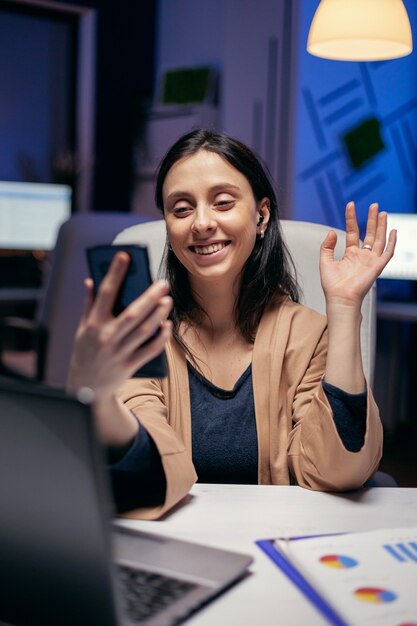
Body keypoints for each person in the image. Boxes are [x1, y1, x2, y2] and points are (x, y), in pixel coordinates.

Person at [67, 129, 396, 520]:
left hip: (280, 543)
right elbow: (145, 463)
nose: (202, 223)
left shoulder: (308, 334)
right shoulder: (144, 335)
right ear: (168, 228)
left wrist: (344, 310)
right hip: (176, 546)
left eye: (223, 203)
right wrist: (100, 399)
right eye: (182, 208)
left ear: (261, 215)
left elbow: (335, 471)